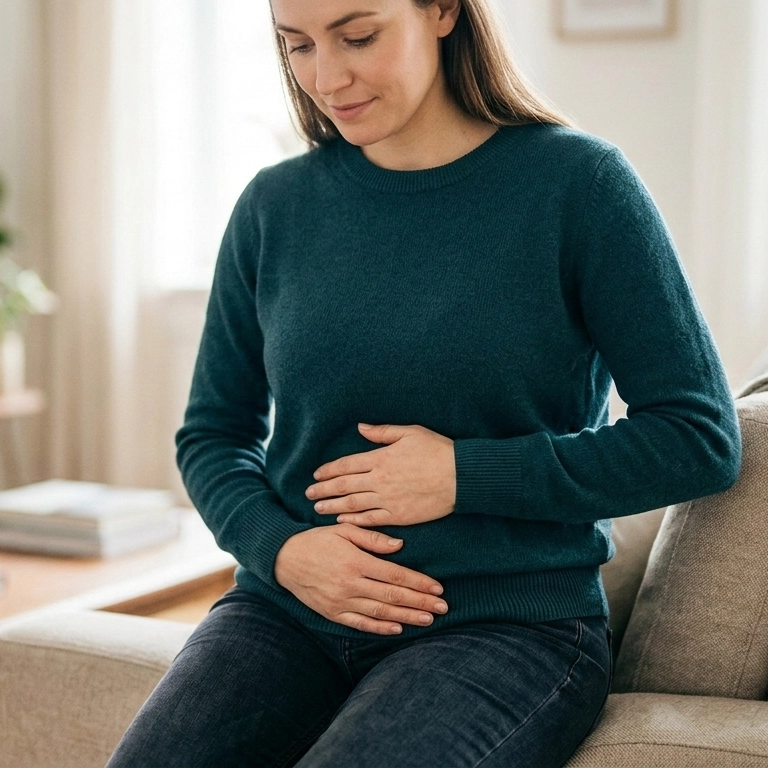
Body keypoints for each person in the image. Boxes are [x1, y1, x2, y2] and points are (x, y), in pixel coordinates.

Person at [106, 0, 742, 765]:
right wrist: (281, 550)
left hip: (504, 627)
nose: (325, 77)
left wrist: (463, 475)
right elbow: (213, 433)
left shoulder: (578, 185)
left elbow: (697, 438)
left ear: (442, 10)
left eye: (359, 35)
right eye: (297, 44)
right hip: (289, 611)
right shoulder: (275, 207)